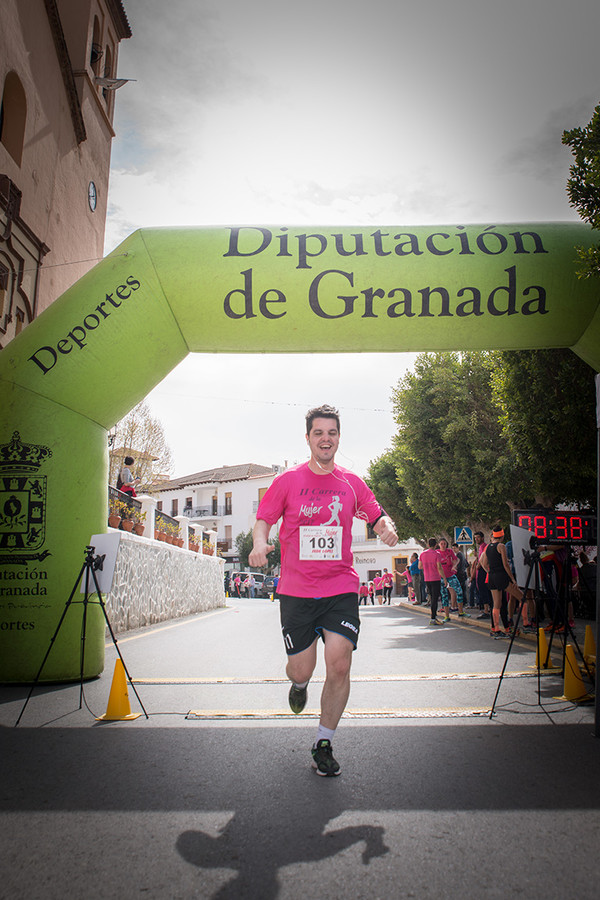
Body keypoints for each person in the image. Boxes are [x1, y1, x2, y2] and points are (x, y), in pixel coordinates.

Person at [249, 404, 398, 777]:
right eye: (319, 433)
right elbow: (264, 519)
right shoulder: (288, 481)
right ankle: (299, 684)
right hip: (297, 590)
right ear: (308, 438)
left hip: (340, 586)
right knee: (302, 667)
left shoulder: (351, 482)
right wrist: (259, 543)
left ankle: (323, 742)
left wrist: (386, 527)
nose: (325, 439)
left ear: (338, 437)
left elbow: (376, 514)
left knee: (340, 663)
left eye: (331, 432)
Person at [480, 526, 519, 638]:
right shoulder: (500, 546)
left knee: (496, 604)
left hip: (490, 578)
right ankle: (507, 628)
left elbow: (482, 562)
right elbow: (505, 564)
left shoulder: (487, 547)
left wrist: (489, 571)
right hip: (499, 577)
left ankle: (496, 629)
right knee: (501, 605)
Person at [438, 539, 470, 621]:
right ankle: (447, 616)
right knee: (444, 595)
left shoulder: (450, 551)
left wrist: (454, 566)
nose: (443, 545)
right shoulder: (437, 553)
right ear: (439, 544)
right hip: (441, 577)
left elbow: (456, 560)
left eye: (444, 543)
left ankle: (461, 612)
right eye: (441, 544)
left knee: (459, 592)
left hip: (451, 575)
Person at [419, 538, 446, 625]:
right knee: (435, 598)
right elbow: (439, 567)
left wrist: (427, 566)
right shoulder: (437, 554)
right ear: (436, 545)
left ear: (428, 544)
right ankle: (433, 618)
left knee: (432, 597)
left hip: (427, 578)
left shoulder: (422, 554)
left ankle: (433, 617)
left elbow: (420, 566)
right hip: (435, 578)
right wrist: (444, 578)